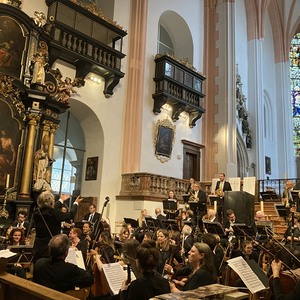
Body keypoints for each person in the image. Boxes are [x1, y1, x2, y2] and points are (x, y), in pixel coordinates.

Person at [33, 191, 82, 261]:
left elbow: (49, 209)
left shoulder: (36, 212)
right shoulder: (54, 214)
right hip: (51, 248)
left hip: (38, 247)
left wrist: (61, 200)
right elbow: (71, 215)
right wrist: (76, 203)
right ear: (51, 202)